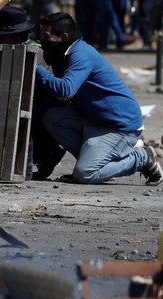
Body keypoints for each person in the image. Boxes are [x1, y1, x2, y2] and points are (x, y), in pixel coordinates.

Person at [36, 12, 162, 185]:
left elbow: (65, 91)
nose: (41, 40)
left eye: (45, 36)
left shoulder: (80, 54)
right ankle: (95, 161)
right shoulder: (62, 53)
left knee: (85, 174)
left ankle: (142, 158)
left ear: (63, 36)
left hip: (119, 127)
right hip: (93, 120)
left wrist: (37, 69)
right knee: (52, 117)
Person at [0, 6, 65, 180]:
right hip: (7, 101)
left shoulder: (36, 52)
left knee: (28, 122)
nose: (3, 40)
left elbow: (47, 89)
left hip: (37, 106)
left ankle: (45, 156)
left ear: (17, 35)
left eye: (7, 36)